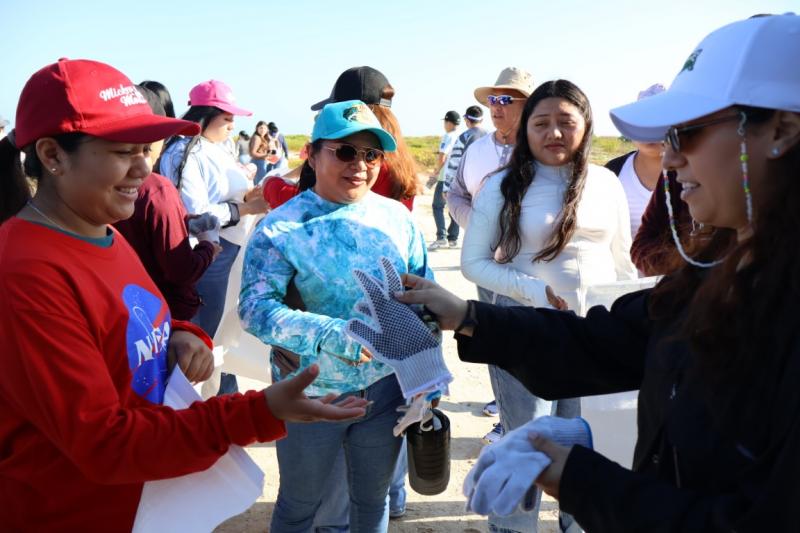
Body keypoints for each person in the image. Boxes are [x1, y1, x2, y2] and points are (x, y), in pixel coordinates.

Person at [398, 14, 800, 531]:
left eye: (690, 133)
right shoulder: (717, 269)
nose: (670, 158)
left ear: (782, 132)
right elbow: (610, 340)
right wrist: (470, 315)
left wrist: (581, 479)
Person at [0, 58, 368, 531]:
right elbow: (102, 443)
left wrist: (178, 334)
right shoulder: (26, 270)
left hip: (144, 501)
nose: (142, 169)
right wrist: (256, 412)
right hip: (73, 510)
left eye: (145, 150)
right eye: (121, 151)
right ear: (53, 156)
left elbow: (119, 321)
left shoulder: (103, 233)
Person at [239, 100, 432, 532]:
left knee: (371, 500)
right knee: (300, 504)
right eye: (345, 152)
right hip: (310, 394)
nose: (359, 165)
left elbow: (424, 295)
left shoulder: (397, 220)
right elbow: (255, 308)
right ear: (312, 153)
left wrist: (427, 378)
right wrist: (335, 334)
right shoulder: (281, 227)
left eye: (371, 155)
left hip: (386, 392)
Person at [462, 79, 636, 533]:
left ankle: (578, 524)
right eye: (542, 123)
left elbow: (623, 261)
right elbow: (473, 264)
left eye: (566, 122)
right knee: (528, 440)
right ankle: (514, 527)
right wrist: (532, 292)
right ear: (526, 130)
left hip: (597, 337)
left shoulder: (605, 182)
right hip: (526, 332)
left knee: (588, 439)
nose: (554, 133)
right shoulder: (500, 186)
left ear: (585, 127)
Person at [160, 79, 268, 394]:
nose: (233, 123)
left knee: (221, 335)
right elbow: (194, 217)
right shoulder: (186, 150)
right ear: (204, 114)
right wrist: (244, 208)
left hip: (226, 256)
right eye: (226, 116)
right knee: (200, 339)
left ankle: (216, 399)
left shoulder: (212, 147)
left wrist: (248, 199)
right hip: (207, 260)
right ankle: (187, 408)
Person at [447, 66, 534, 444]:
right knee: (496, 341)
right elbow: (455, 195)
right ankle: (505, 416)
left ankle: (530, 424)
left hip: (531, 267)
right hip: (487, 264)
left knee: (531, 345)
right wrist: (480, 230)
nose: (496, 107)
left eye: (506, 100)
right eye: (492, 100)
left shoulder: (541, 148)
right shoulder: (477, 149)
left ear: (528, 105)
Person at [113, 85, 221, 320]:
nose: (141, 166)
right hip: (163, 312)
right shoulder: (157, 189)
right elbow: (181, 269)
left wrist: (182, 222)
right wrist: (208, 248)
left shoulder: (99, 194)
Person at [312, 66, 419, 211]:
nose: (361, 164)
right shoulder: (399, 158)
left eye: (345, 151)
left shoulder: (368, 168)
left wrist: (273, 184)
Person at [605, 84, 666, 242]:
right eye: (642, 119)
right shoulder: (612, 173)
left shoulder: (696, 172)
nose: (649, 128)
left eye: (660, 119)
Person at [428, 110, 461, 250]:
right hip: (459, 177)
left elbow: (442, 156)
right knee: (455, 207)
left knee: (437, 206)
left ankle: (441, 237)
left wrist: (435, 172)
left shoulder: (448, 136)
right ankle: (453, 238)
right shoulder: (462, 137)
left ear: (448, 122)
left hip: (446, 177)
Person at [443, 105, 488, 194]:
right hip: (487, 187)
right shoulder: (491, 136)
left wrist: (446, 188)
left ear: (466, 120)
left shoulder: (463, 137)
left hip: (466, 188)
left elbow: (454, 164)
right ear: (482, 120)